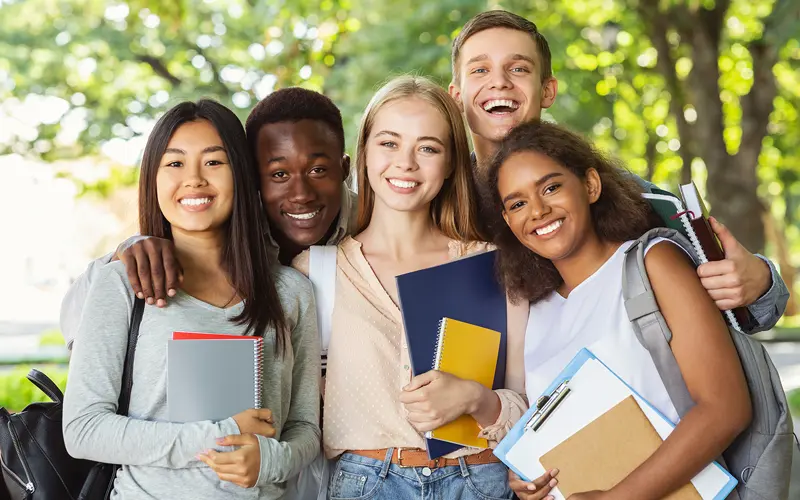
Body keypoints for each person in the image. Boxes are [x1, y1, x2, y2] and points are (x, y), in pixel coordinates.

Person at [447, 9, 789, 333]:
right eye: (480, 70)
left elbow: (736, 311)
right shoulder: (437, 203)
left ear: (547, 90)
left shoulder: (623, 195)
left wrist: (759, 283)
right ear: (457, 97)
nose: (500, 83)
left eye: (518, 68)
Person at [290, 75, 538, 500]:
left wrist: (477, 400)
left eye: (428, 147)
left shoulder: (492, 264)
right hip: (365, 483)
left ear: (450, 164)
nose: (406, 162)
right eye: (389, 143)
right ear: (363, 152)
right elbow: (298, 414)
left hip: (479, 480)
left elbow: (531, 407)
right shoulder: (317, 270)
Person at [62, 100, 321, 499]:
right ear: (153, 178)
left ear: (242, 173)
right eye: (175, 164)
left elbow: (306, 426)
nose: (194, 179)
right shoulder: (122, 284)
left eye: (214, 162)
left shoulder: (291, 292)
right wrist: (223, 435)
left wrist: (271, 460)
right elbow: (83, 429)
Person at [486, 120, 751, 499]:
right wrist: (530, 477)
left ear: (590, 185)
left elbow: (726, 409)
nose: (538, 210)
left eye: (551, 187)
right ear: (509, 221)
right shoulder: (534, 309)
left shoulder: (653, 262)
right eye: (517, 203)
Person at [59, 88, 355, 349]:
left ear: (344, 168)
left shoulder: (374, 226)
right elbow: (76, 327)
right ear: (250, 177)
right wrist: (126, 253)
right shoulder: (217, 232)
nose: (301, 194)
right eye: (278, 174)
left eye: (318, 170)